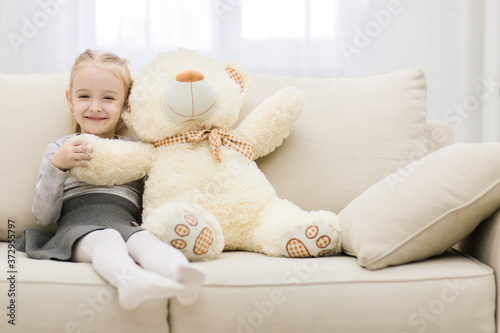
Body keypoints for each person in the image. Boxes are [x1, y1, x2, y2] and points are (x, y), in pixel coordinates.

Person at [15, 49, 205, 310]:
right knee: (108, 238)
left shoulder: (136, 151)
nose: (95, 106)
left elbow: (153, 199)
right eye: (84, 96)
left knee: (145, 240)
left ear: (126, 104)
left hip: (127, 225)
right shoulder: (60, 149)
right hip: (78, 232)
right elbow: (44, 217)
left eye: (108, 98)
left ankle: (180, 275)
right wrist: (57, 166)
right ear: (70, 100)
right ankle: (131, 283)